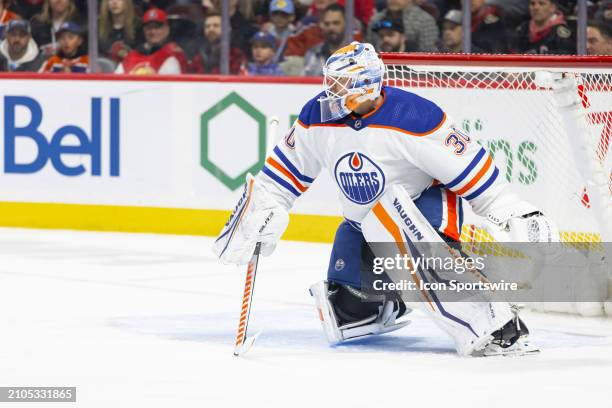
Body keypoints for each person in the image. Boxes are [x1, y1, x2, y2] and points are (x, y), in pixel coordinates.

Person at [213, 41, 552, 357]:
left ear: (367, 85)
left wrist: (513, 209)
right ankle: (393, 302)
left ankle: (496, 323)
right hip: (361, 223)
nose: (331, 91)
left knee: (393, 228)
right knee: (344, 313)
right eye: (331, 82)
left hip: (424, 209)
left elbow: (471, 169)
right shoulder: (316, 115)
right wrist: (263, 209)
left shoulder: (415, 117)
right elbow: (281, 176)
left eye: (342, 84)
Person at [116, 7, 187, 75]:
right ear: (144, 30)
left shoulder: (173, 54)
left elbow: (171, 85)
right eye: (149, 27)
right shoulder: (131, 56)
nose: (153, 31)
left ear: (167, 29)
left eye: (157, 27)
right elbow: (115, 81)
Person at [367, 0, 439, 52]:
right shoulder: (375, 19)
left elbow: (429, 52)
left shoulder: (424, 20)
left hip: (414, 67)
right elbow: (368, 48)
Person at [302, 3, 347, 76]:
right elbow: (304, 82)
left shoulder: (359, 54)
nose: (331, 28)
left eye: (336, 23)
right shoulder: (314, 53)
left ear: (346, 24)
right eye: (327, 24)